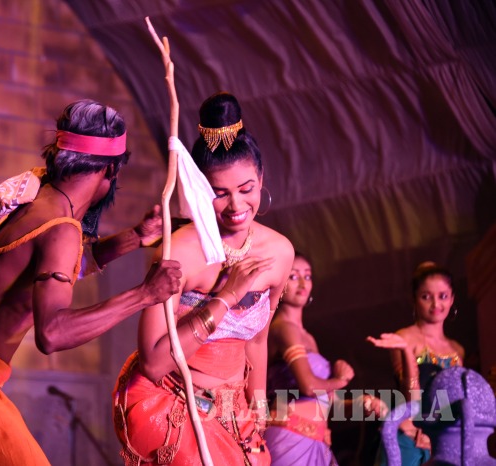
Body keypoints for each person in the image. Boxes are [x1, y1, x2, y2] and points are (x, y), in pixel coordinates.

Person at [0, 99, 183, 465]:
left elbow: (60, 264)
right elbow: (52, 333)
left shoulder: (37, 198)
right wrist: (144, 294)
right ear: (110, 170)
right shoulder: (62, 227)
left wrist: (136, 237)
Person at [112, 91, 294, 466]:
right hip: (171, 400)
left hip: (233, 409)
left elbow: (257, 339)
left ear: (261, 178)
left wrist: (258, 408)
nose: (237, 206)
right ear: (198, 191)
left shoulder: (279, 252)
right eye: (220, 194)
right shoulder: (179, 251)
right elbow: (154, 363)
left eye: (247, 189)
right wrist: (225, 299)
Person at [265, 252, 386, 465]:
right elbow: (309, 386)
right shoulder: (284, 328)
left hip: (316, 439)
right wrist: (340, 379)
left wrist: (362, 403)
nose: (302, 283)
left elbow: (330, 403)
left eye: (308, 276)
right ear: (278, 281)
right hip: (290, 438)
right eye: (293, 276)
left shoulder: (307, 337)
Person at [368, 261, 464, 466]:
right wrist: (405, 350)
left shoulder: (457, 350)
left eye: (443, 296)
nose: (436, 304)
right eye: (426, 297)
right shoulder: (404, 338)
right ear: (414, 299)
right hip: (408, 437)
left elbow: (457, 403)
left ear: (452, 299)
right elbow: (411, 397)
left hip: (442, 443)